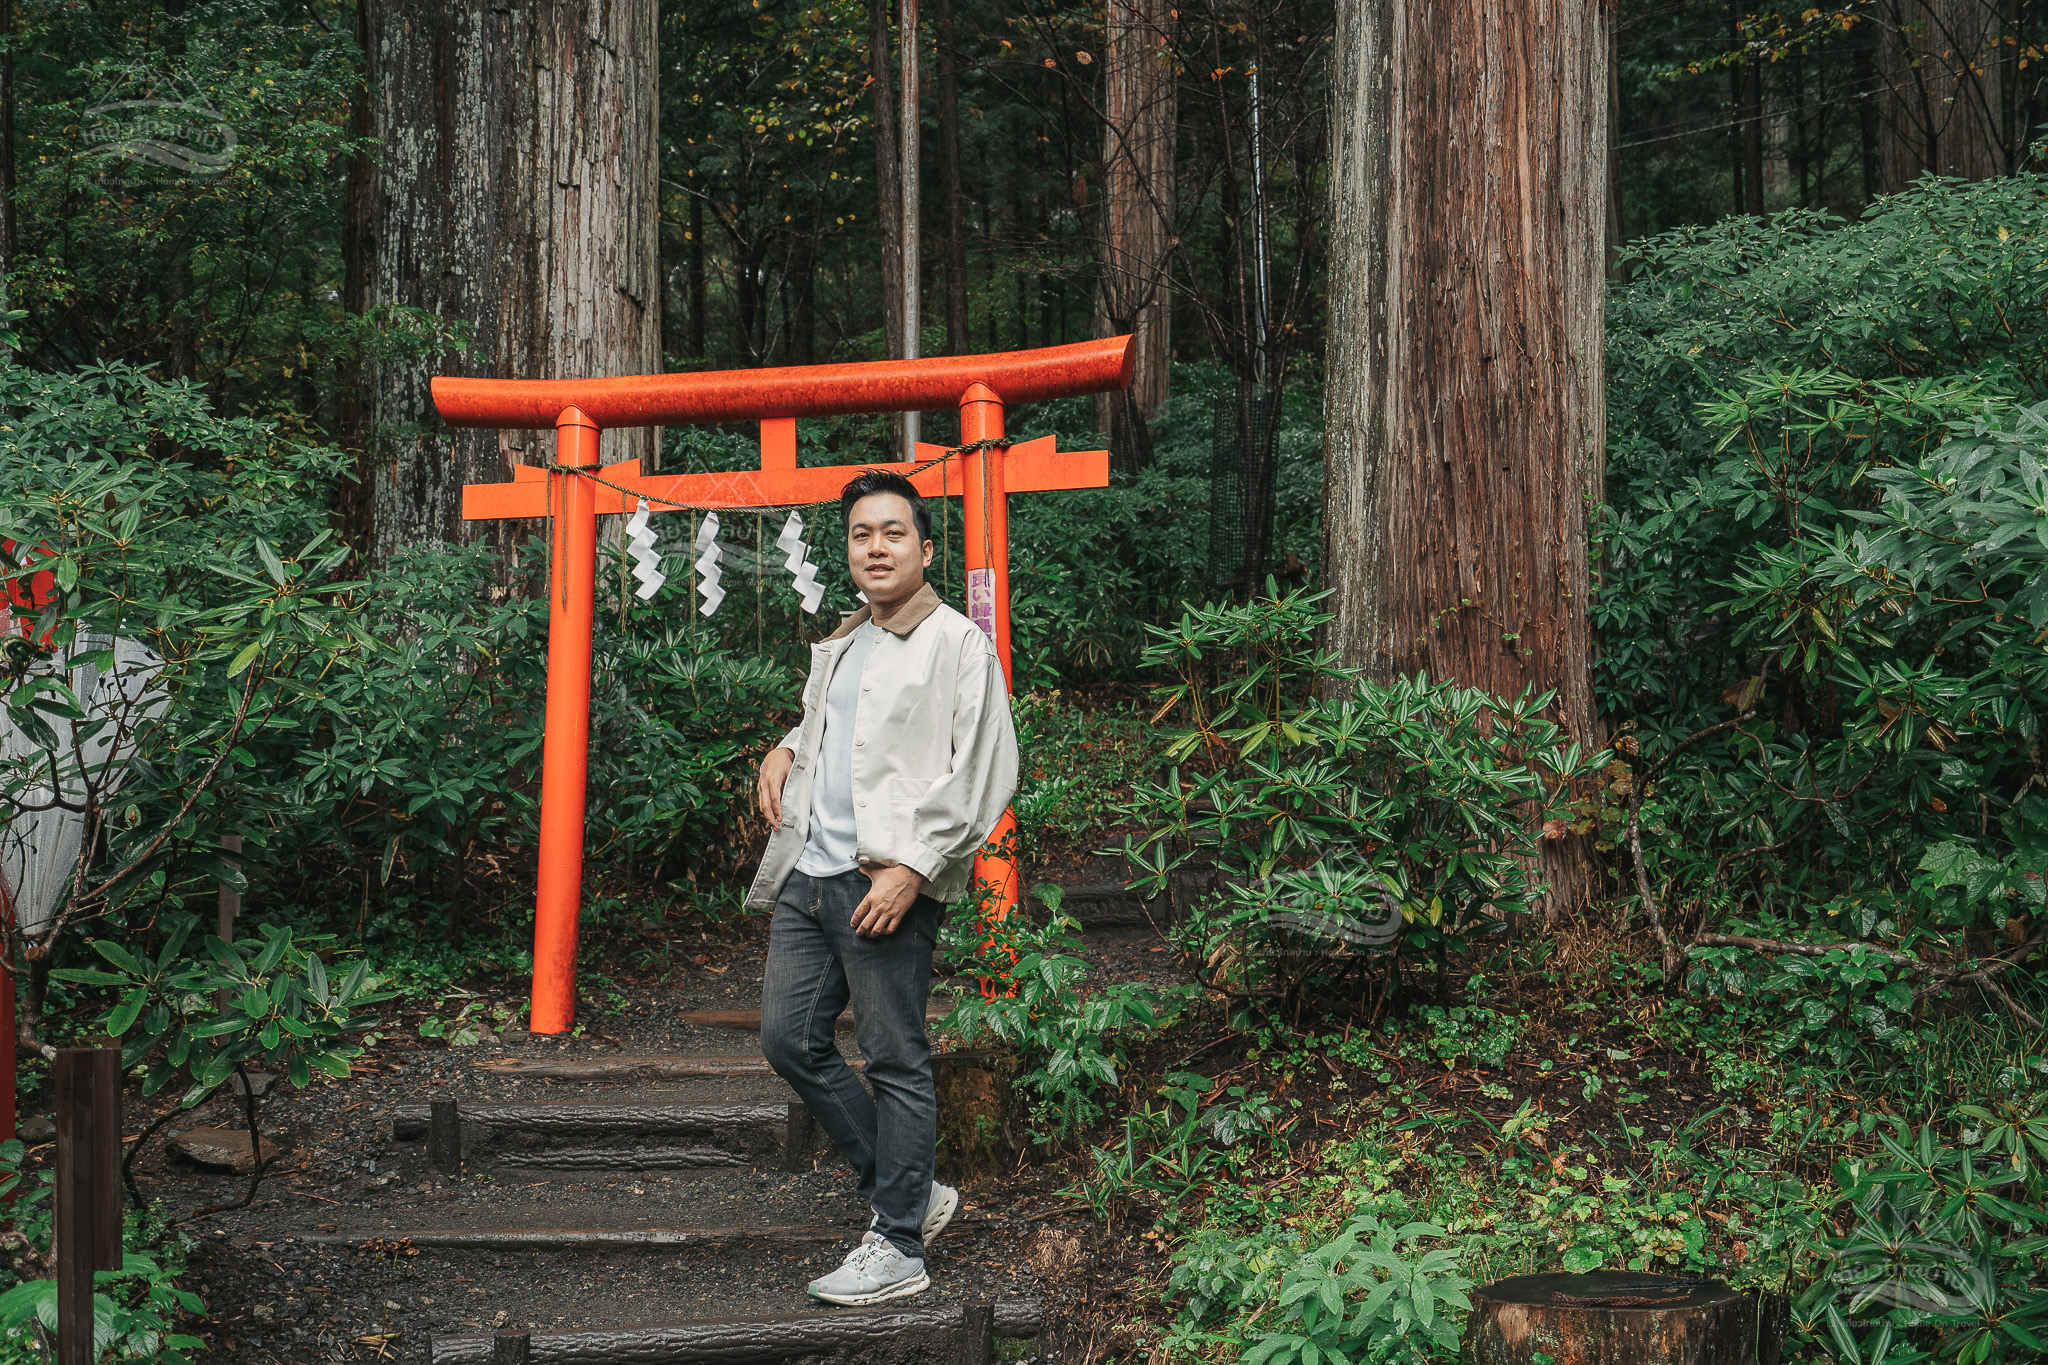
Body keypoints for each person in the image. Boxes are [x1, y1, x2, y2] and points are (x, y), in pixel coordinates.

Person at [746, 469, 1018, 1307]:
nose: (876, 546)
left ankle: (899, 1243)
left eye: (893, 532)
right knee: (788, 1039)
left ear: (925, 547)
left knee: (896, 1056)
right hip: (809, 871)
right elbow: (830, 723)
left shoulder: (955, 645)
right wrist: (784, 747)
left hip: (883, 879)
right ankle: (911, 1189)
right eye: (863, 533)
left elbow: (987, 767)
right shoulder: (846, 637)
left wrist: (915, 866)